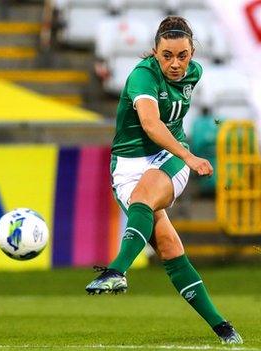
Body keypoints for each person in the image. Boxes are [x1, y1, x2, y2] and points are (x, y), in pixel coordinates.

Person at [85, 16, 243, 344]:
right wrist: (191, 157)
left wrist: (184, 155)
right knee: (170, 248)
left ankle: (116, 271)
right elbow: (150, 123)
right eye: (167, 55)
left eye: (182, 55)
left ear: (192, 52)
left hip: (170, 157)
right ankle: (223, 328)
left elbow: (166, 129)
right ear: (154, 52)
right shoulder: (142, 77)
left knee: (144, 197)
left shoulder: (194, 74)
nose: (175, 63)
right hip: (126, 167)